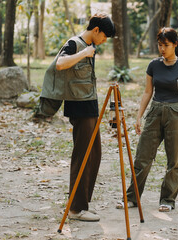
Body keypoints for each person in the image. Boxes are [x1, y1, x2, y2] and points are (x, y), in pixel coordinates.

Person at [40, 13, 115, 221]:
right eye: (104, 36)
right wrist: (84, 53)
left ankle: (83, 204)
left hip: (89, 106)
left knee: (94, 156)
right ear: (96, 30)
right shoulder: (74, 44)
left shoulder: (90, 46)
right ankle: (75, 209)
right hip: (79, 109)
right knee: (82, 157)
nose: (104, 41)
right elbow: (60, 64)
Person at [117, 27, 178, 212]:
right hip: (155, 111)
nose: (162, 49)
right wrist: (139, 116)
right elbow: (147, 92)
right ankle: (132, 198)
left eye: (166, 45)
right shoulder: (153, 65)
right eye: (159, 45)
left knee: (174, 160)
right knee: (142, 157)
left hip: (176, 113)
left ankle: (167, 200)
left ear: (175, 44)